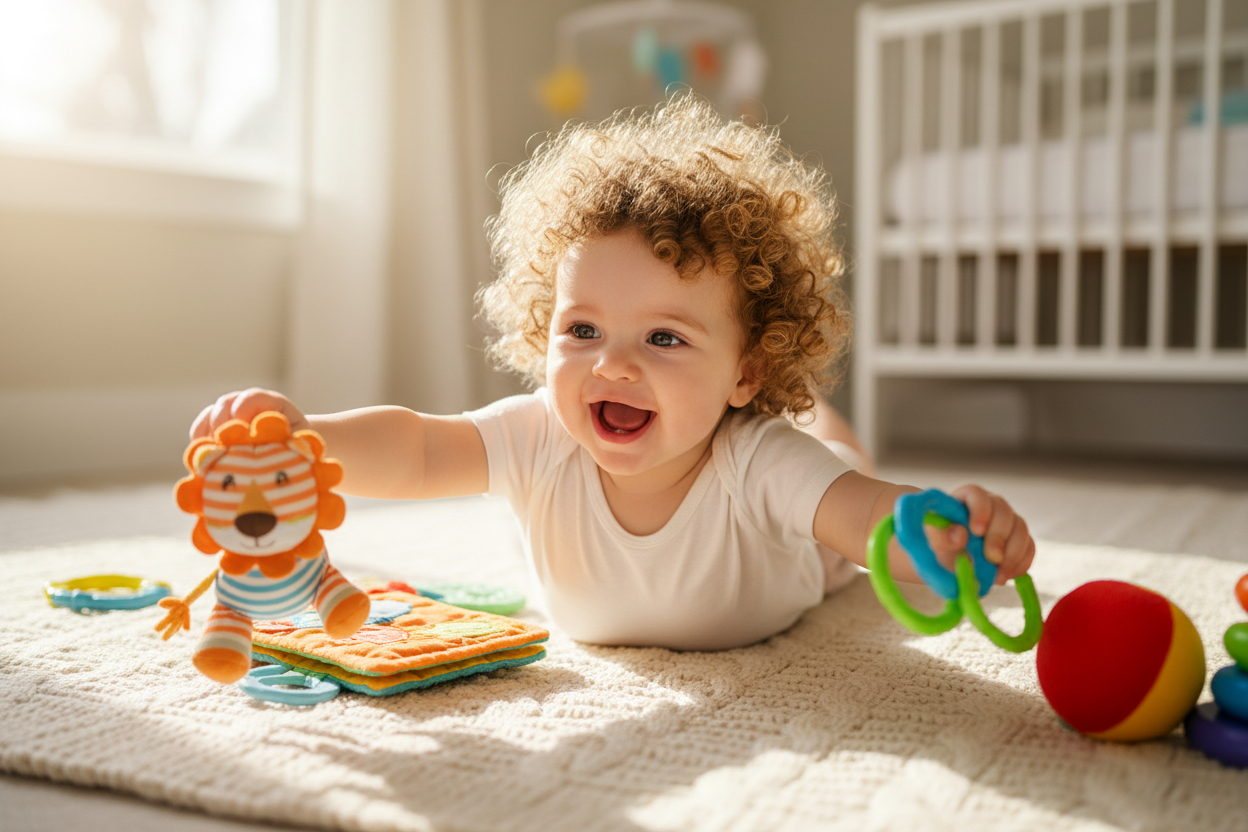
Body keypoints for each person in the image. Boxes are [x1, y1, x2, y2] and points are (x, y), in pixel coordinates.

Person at [191, 96, 1034, 651]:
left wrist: (950, 538)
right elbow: (416, 449)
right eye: (583, 329)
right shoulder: (538, 435)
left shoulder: (756, 461)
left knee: (833, 455)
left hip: (804, 535)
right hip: (734, 433)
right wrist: (304, 441)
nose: (614, 365)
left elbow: (868, 522)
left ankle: (818, 413)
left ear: (745, 370)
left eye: (664, 339)